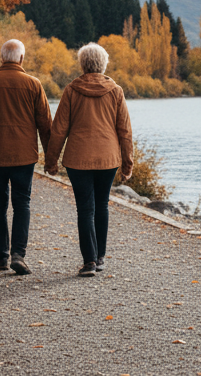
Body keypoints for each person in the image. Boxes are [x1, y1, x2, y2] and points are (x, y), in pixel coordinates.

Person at [45, 42, 133, 277]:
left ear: (83, 64)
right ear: (103, 64)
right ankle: (101, 256)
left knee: (85, 209)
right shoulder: (115, 91)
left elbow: (59, 129)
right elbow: (125, 130)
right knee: (102, 205)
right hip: (108, 158)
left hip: (78, 159)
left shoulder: (72, 90)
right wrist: (127, 164)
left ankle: (89, 262)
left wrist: (51, 161)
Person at [0, 39, 53, 275]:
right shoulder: (34, 85)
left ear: (2, 58)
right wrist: (52, 159)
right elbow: (46, 124)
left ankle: (1, 257)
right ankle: (18, 255)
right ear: (22, 59)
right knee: (22, 204)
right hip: (25, 155)